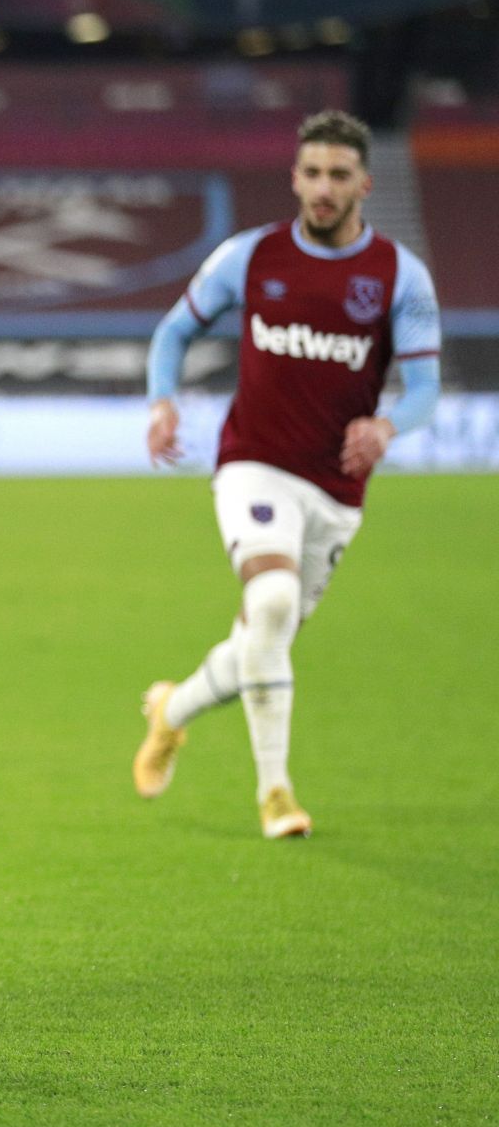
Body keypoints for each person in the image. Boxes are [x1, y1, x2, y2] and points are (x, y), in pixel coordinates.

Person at [134, 110, 442, 837]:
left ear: (365, 182)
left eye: (339, 175)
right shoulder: (251, 256)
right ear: (295, 178)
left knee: (262, 639)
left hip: (335, 489)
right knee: (270, 601)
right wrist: (162, 404)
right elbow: (175, 330)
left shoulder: (399, 276)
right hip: (253, 465)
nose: (324, 188)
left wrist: (387, 424)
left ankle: (170, 711)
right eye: (312, 173)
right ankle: (276, 793)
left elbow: (427, 386)